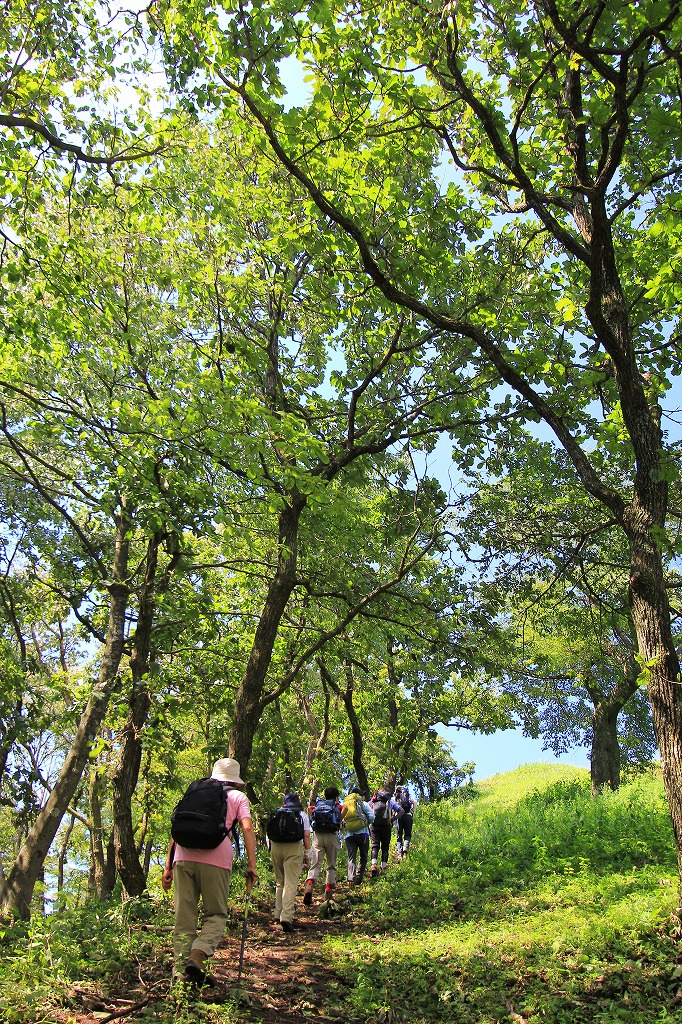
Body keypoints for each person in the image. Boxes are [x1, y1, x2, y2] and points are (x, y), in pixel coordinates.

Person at [162, 757, 258, 985]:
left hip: (183, 858)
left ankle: (180, 973)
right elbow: (246, 827)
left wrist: (168, 866)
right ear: (236, 780)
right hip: (216, 860)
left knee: (184, 918)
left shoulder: (194, 793)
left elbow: (175, 829)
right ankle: (198, 955)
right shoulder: (238, 797)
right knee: (216, 914)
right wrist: (252, 865)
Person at [267, 792, 311, 932]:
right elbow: (306, 835)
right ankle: (286, 916)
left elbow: (268, 833)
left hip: (275, 847)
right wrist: (307, 855)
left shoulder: (277, 813)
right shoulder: (302, 815)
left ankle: (277, 912)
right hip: (293, 847)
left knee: (280, 882)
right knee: (290, 883)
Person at [303, 786, 344, 904]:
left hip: (318, 836)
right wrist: (339, 819)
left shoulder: (318, 806)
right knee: (331, 864)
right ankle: (328, 892)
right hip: (331, 836)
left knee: (316, 863)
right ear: (336, 797)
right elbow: (344, 809)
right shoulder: (337, 806)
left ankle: (310, 885)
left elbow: (310, 811)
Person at [341, 786, 375, 885]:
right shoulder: (362, 803)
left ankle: (350, 879)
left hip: (349, 835)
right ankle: (358, 878)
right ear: (359, 795)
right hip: (362, 833)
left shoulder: (345, 804)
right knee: (363, 856)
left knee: (351, 857)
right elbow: (372, 816)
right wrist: (366, 823)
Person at [368, 786, 401, 876]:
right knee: (385, 847)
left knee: (375, 846)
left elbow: (367, 810)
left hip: (374, 826)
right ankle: (383, 867)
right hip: (386, 826)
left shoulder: (373, 800)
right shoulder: (389, 801)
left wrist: (369, 822)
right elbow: (401, 810)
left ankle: (374, 865)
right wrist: (392, 819)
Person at [394, 784, 415, 859]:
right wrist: (412, 812)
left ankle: (400, 854)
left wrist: (393, 816)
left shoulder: (395, 798)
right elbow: (414, 802)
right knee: (408, 834)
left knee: (399, 836)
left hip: (399, 817)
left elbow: (392, 806)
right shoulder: (407, 797)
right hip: (408, 816)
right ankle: (405, 847)